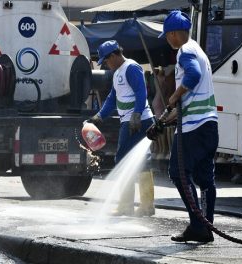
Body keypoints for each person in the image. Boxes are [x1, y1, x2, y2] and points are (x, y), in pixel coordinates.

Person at [158, 10, 219, 242]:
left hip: (193, 128)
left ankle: (197, 225)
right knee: (205, 179)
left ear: (174, 33)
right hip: (208, 125)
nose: (166, 40)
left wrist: (174, 95)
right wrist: (163, 121)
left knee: (178, 172)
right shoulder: (199, 50)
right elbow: (193, 100)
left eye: (166, 35)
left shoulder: (185, 51)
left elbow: (191, 77)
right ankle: (206, 228)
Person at [89, 40, 155, 217]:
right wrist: (100, 116)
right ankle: (145, 205)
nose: (106, 65)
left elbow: (142, 92)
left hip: (138, 121)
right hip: (132, 120)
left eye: (107, 61)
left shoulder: (131, 67)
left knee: (123, 158)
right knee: (138, 159)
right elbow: (112, 98)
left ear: (114, 55)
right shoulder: (118, 71)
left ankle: (129, 206)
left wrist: (137, 115)